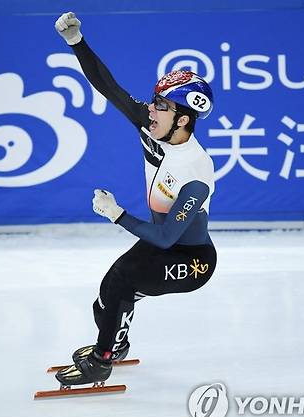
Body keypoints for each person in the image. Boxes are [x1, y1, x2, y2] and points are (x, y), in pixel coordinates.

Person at [54, 12, 218, 386]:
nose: (150, 109)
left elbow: (164, 239)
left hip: (191, 260)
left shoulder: (195, 170)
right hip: (163, 246)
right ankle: (116, 342)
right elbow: (108, 86)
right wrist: (77, 42)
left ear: (183, 120)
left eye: (162, 106)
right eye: (155, 101)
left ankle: (101, 359)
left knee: (123, 282)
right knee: (106, 294)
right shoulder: (151, 124)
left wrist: (116, 214)